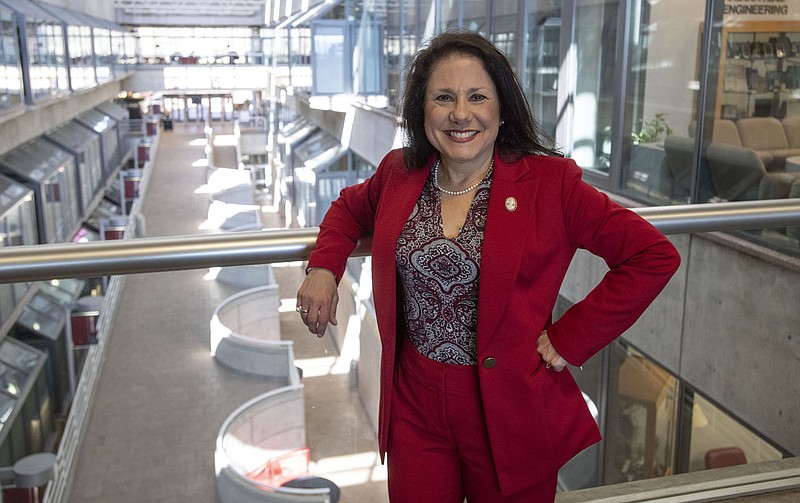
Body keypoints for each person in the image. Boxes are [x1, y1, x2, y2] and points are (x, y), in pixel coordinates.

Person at [295, 30, 680, 502]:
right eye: (444, 97)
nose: (461, 113)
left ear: (501, 109)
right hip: (415, 405)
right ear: (423, 110)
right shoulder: (400, 172)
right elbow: (348, 210)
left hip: (508, 409)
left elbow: (653, 256)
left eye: (477, 96)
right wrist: (323, 269)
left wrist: (570, 337)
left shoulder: (550, 184)